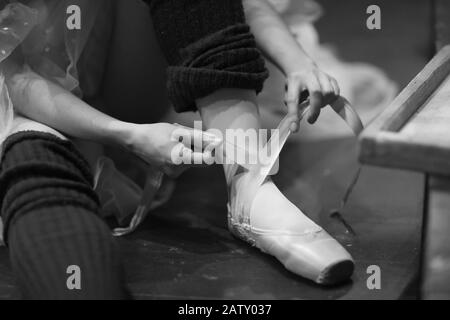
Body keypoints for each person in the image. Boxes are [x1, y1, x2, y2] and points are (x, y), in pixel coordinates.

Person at [0, 0, 354, 299]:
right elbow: (12, 76)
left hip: (134, 67)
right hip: (51, 100)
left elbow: (239, 3)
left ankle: (249, 182)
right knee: (36, 165)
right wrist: (129, 135)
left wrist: (299, 63)